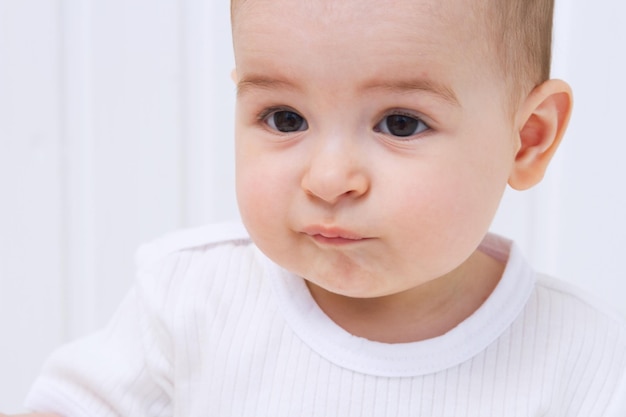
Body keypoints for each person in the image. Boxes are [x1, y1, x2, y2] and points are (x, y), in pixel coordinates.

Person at [4, 0, 626, 415]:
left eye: (401, 123)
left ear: (528, 138)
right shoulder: (191, 297)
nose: (329, 180)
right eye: (285, 118)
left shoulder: (585, 359)